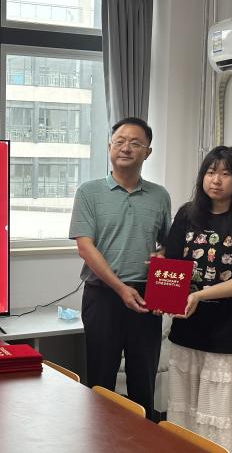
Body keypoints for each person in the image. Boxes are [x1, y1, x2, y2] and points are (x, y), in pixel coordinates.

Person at [165, 146, 232, 453]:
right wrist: (163, 293)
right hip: (189, 328)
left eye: (226, 173)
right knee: (186, 411)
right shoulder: (187, 215)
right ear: (202, 176)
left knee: (222, 416)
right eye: (211, 172)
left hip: (231, 333)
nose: (216, 180)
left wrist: (199, 294)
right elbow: (173, 265)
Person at [69, 117, 171, 419]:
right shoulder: (88, 192)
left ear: (147, 152)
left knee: (144, 381)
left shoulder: (160, 196)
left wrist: (163, 255)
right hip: (103, 296)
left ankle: (142, 440)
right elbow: (85, 247)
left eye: (135, 143)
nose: (126, 148)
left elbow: (168, 244)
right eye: (120, 141)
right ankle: (99, 439)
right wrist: (120, 288)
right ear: (109, 146)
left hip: (147, 298)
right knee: (100, 382)